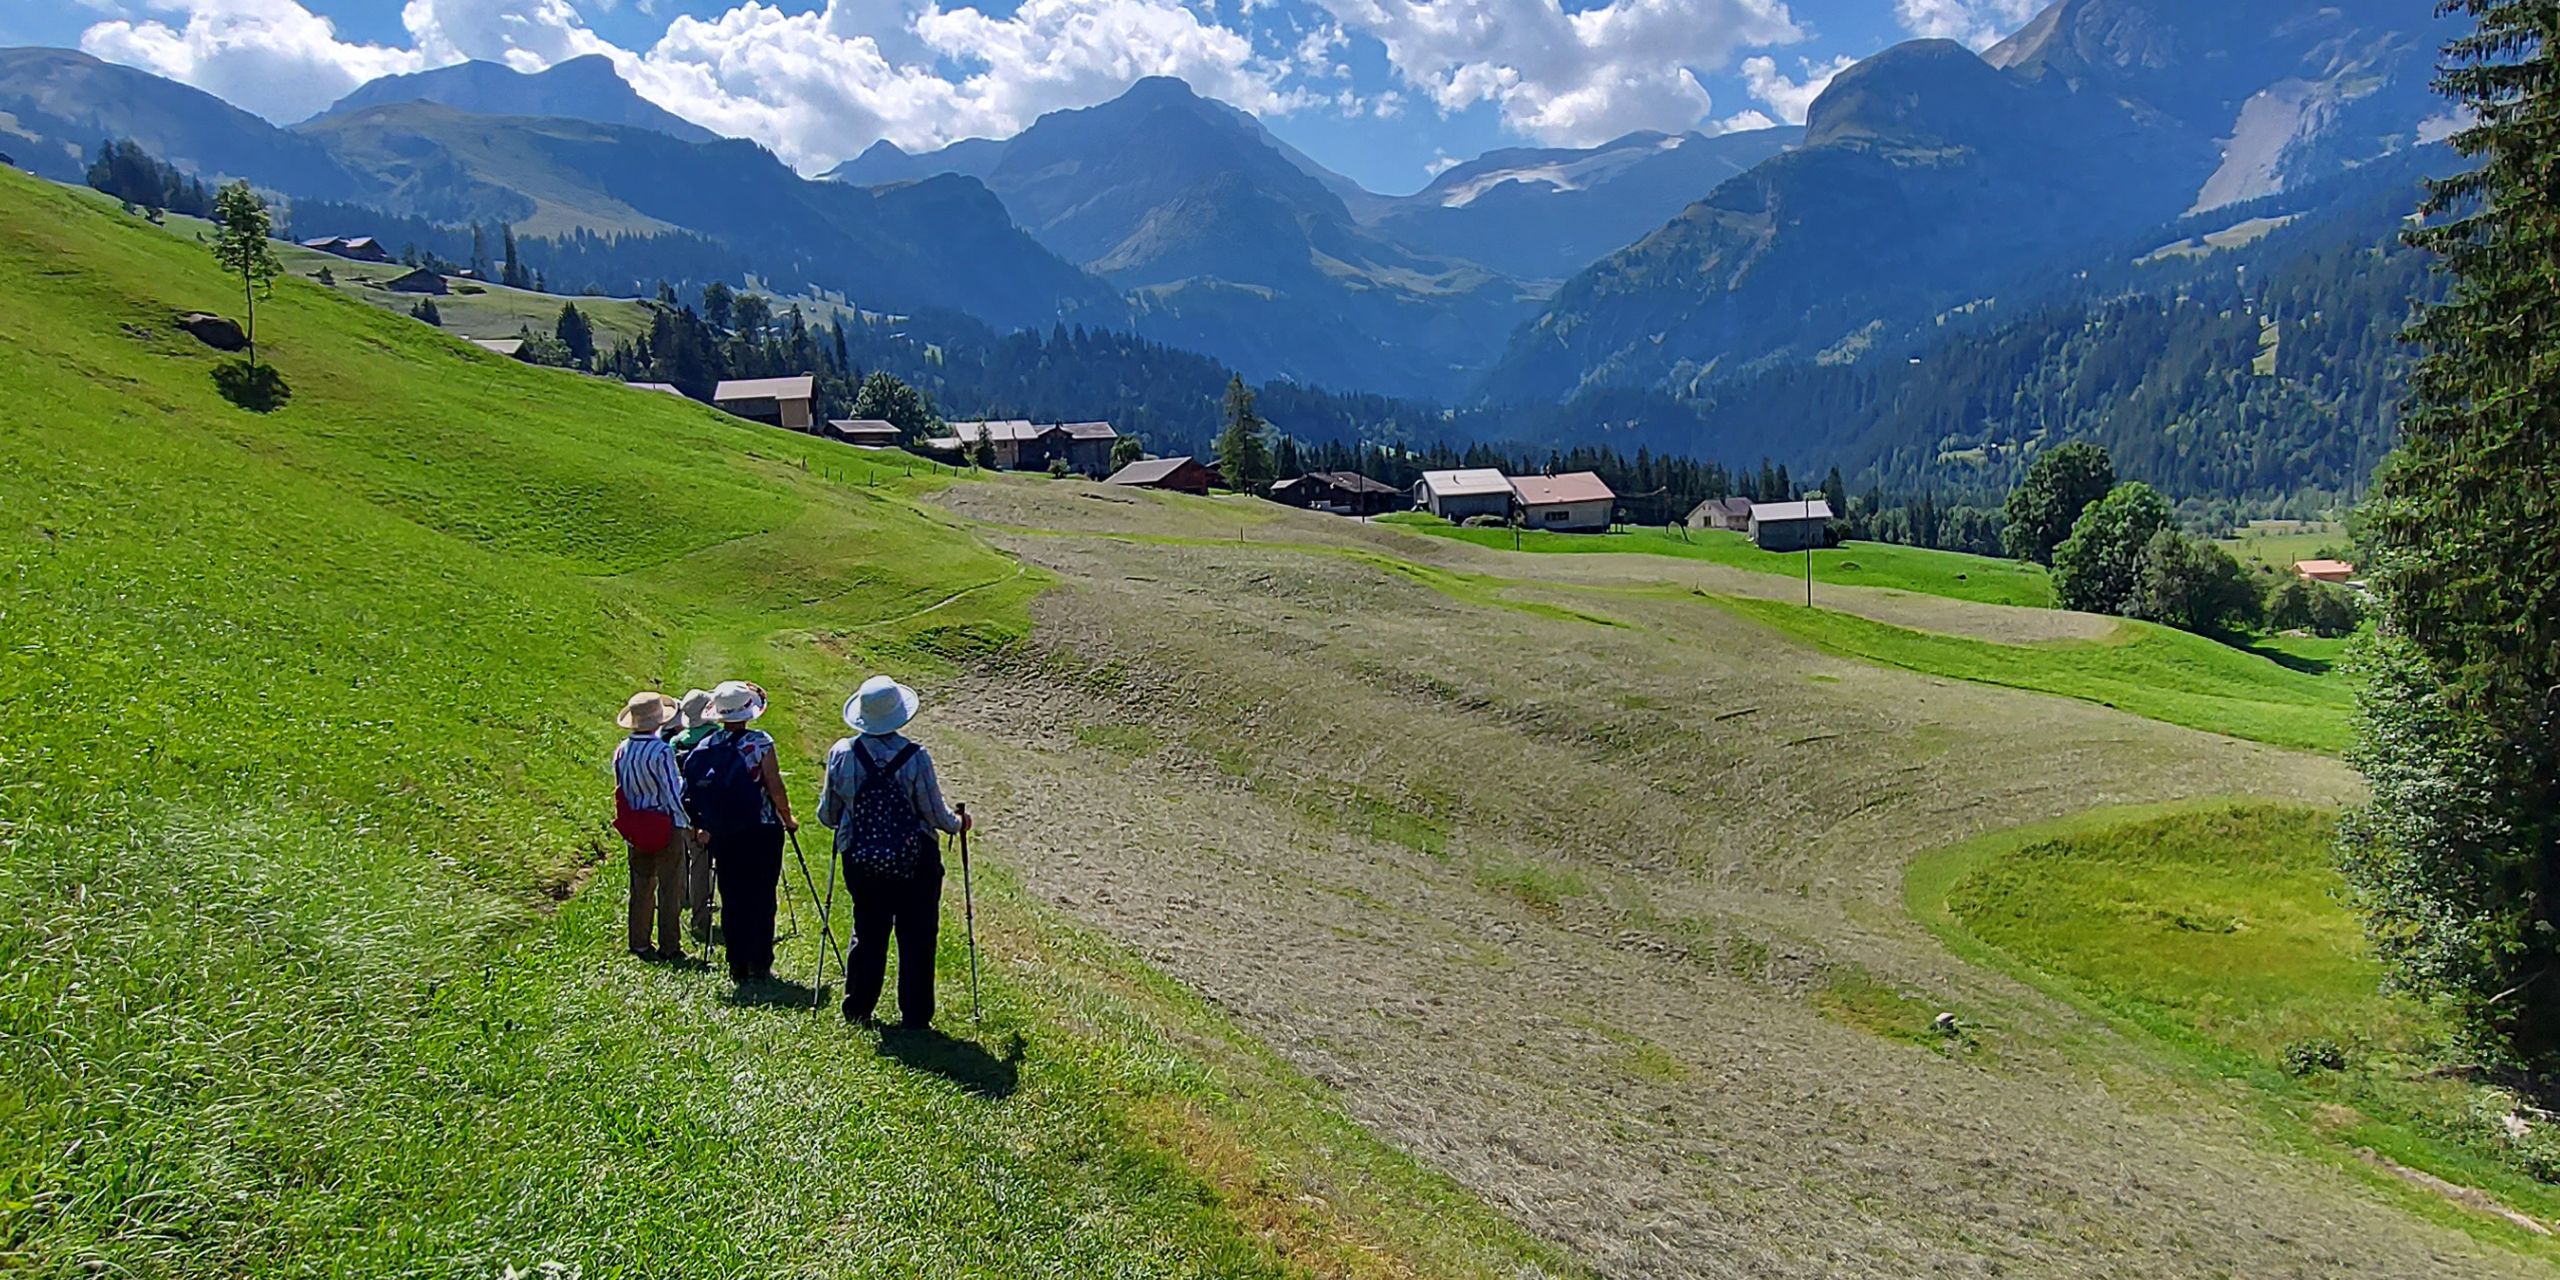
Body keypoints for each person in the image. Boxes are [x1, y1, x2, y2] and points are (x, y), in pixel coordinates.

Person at [818, 674, 969, 1029]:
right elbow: (935, 814)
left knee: (868, 931)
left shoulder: (841, 753)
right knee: (917, 935)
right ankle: (915, 1015)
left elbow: (828, 815)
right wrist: (960, 823)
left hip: (862, 858)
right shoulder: (916, 757)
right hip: (915, 860)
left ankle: (858, 1007)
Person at [681, 680, 797, 983]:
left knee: (732, 896)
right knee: (761, 894)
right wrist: (787, 817)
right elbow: (775, 786)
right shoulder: (759, 742)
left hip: (725, 831)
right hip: (762, 829)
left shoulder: (707, 746)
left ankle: (737, 961)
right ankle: (760, 960)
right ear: (748, 713)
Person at [611, 690, 689, 962]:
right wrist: (683, 819)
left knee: (641, 885)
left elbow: (620, 786)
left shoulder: (621, 750)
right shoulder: (661, 751)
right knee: (670, 886)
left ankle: (639, 940)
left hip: (636, 823)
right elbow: (670, 790)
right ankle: (670, 944)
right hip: (663, 821)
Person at [664, 688, 718, 944]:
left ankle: (691, 908)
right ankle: (707, 918)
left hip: (685, 806)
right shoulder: (717, 736)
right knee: (712, 863)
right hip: (714, 808)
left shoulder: (676, 742)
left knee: (693, 859)